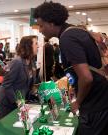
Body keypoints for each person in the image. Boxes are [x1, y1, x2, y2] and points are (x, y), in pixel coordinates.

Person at [33, 2, 108, 135]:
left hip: (94, 105)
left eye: (41, 25)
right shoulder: (77, 31)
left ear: (51, 23)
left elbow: (86, 78)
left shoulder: (67, 38)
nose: (40, 30)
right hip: (100, 100)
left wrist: (77, 102)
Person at [0, 35, 38, 118]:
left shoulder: (32, 61)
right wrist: (18, 102)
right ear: (28, 46)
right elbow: (6, 84)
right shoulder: (17, 62)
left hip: (20, 101)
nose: (38, 46)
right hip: (7, 102)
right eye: (36, 43)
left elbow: (28, 83)